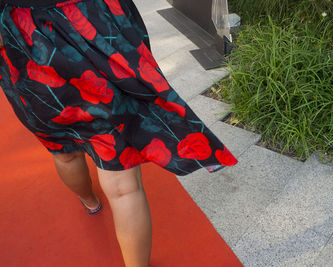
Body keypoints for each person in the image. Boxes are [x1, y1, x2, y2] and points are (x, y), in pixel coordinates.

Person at [0, 0, 238, 266]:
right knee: (124, 185)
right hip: (97, 24)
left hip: (30, 39)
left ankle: (89, 202)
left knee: (64, 150)